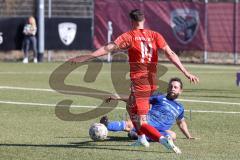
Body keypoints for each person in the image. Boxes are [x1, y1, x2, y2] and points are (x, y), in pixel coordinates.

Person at [70, 9, 199, 154]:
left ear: (131, 21)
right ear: (143, 20)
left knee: (141, 122)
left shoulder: (130, 36)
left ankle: (163, 140)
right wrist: (186, 72)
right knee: (130, 106)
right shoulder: (155, 35)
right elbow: (171, 53)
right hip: (151, 82)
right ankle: (142, 139)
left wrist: (87, 57)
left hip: (140, 83)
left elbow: (108, 48)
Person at [101, 77, 198, 142]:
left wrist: (188, 136)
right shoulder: (160, 97)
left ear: (180, 91)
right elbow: (139, 100)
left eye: (175, 87)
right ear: (168, 88)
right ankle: (106, 125)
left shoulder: (180, 107)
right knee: (130, 124)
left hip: (162, 130)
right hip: (148, 122)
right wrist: (118, 97)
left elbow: (181, 123)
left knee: (172, 135)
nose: (172, 89)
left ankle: (140, 136)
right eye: (171, 86)